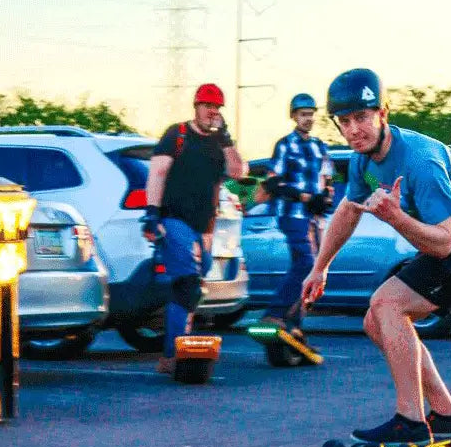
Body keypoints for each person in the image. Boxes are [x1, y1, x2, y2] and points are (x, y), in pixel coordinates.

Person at [302, 69, 451, 443]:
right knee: (376, 320)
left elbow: (444, 244)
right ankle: (446, 414)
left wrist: (396, 217)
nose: (354, 130)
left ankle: (411, 420)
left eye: (362, 118)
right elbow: (348, 210)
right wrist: (319, 268)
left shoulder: (421, 162)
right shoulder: (362, 159)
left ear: (383, 114)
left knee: (387, 304)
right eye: (345, 122)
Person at [142, 83, 246, 374]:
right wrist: (152, 213)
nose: (211, 112)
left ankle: (177, 346)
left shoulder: (218, 144)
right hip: (175, 219)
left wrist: (226, 138)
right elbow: (157, 173)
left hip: (205, 226)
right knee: (187, 283)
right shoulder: (177, 134)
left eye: (216, 108)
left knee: (194, 289)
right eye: (207, 106)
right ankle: (172, 354)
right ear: (196, 106)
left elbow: (238, 172)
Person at [256, 93, 334, 344]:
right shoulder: (285, 145)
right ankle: (274, 313)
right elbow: (272, 181)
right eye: (303, 115)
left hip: (314, 217)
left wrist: (325, 199)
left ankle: (294, 325)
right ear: (294, 117)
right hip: (292, 214)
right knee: (305, 262)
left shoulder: (320, 146)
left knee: (316, 272)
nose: (307, 119)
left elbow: (328, 178)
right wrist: (303, 197)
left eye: (311, 114)